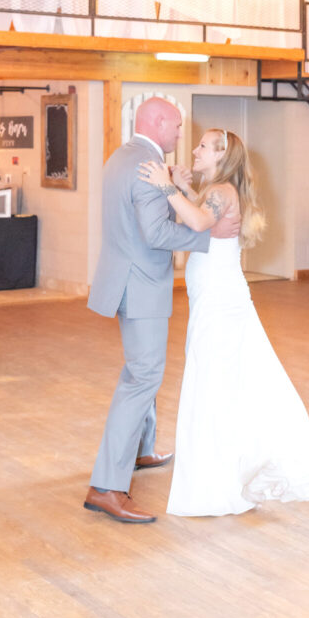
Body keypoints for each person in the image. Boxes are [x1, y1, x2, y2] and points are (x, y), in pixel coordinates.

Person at [138, 128, 309, 517]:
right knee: (216, 377)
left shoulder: (221, 192)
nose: (195, 150)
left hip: (219, 301)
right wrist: (183, 188)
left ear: (221, 155)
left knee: (213, 379)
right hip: (214, 297)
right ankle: (221, 470)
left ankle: (217, 480)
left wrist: (165, 187)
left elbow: (199, 222)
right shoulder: (218, 190)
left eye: (203, 146)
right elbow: (204, 215)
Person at [84, 98, 241, 525]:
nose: (181, 135)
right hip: (141, 286)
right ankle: (107, 487)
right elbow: (155, 233)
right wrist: (212, 239)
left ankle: (141, 450)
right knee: (143, 377)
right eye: (176, 126)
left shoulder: (122, 156)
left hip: (122, 278)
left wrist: (177, 188)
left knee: (143, 369)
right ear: (158, 123)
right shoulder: (146, 164)